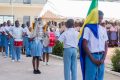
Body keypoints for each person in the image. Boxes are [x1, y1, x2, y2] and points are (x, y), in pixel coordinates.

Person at [82, 10, 108, 80]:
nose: (100, 20)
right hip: (91, 57)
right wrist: (93, 59)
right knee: (90, 78)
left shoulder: (103, 29)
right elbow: (84, 44)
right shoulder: (88, 28)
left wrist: (103, 58)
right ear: (94, 17)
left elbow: (106, 45)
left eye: (101, 18)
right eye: (98, 18)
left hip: (101, 57)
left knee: (100, 78)